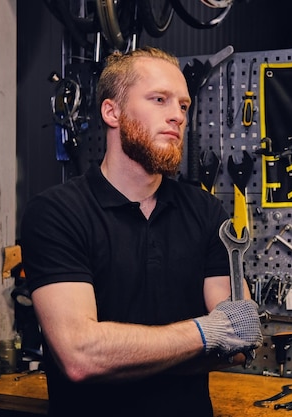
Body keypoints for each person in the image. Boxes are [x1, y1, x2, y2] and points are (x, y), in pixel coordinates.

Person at [20, 46, 263, 417]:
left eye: (183, 105)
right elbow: (80, 356)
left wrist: (121, 358)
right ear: (111, 111)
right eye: (159, 100)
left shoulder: (205, 211)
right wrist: (204, 334)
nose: (177, 116)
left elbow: (240, 342)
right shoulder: (57, 213)